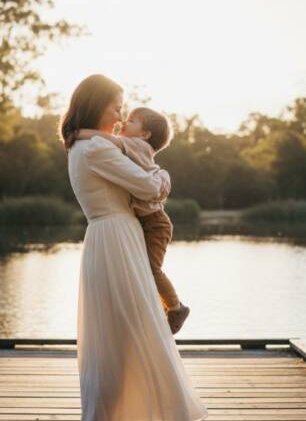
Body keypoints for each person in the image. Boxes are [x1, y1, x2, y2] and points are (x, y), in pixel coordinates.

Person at [60, 74, 208, 421]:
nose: (119, 115)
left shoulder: (86, 144)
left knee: (120, 330)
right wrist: (164, 177)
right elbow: (148, 187)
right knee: (131, 327)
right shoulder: (96, 149)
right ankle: (143, 410)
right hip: (116, 238)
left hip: (109, 236)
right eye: (116, 107)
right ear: (97, 106)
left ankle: (126, 410)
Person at [74, 106, 191, 334]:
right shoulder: (136, 146)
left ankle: (176, 308)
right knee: (143, 269)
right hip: (147, 221)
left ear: (144, 134)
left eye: (131, 120)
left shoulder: (136, 145)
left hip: (155, 223)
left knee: (151, 269)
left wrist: (78, 133)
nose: (124, 123)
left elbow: (105, 140)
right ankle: (159, 309)